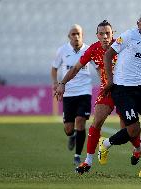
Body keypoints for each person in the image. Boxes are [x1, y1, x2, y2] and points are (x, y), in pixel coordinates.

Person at [55, 20, 141, 175]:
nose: (105, 36)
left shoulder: (122, 46)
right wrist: (62, 83)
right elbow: (75, 68)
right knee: (96, 122)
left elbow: (140, 65)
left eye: (107, 33)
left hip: (125, 91)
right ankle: (87, 162)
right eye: (101, 34)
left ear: (113, 34)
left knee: (129, 130)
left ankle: (137, 147)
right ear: (97, 35)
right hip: (107, 90)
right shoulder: (93, 49)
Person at [100, 11, 141, 179]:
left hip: (140, 88)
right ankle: (105, 143)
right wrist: (110, 81)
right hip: (122, 89)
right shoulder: (128, 36)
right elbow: (108, 55)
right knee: (134, 130)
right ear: (138, 24)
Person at [51, 24, 90, 165]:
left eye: (78, 33)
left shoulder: (88, 50)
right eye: (73, 34)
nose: (76, 36)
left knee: (80, 121)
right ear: (69, 37)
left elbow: (99, 67)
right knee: (68, 129)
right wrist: (56, 83)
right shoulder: (62, 50)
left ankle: (77, 156)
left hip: (84, 91)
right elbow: (54, 68)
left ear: (82, 35)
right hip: (68, 93)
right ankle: (72, 135)